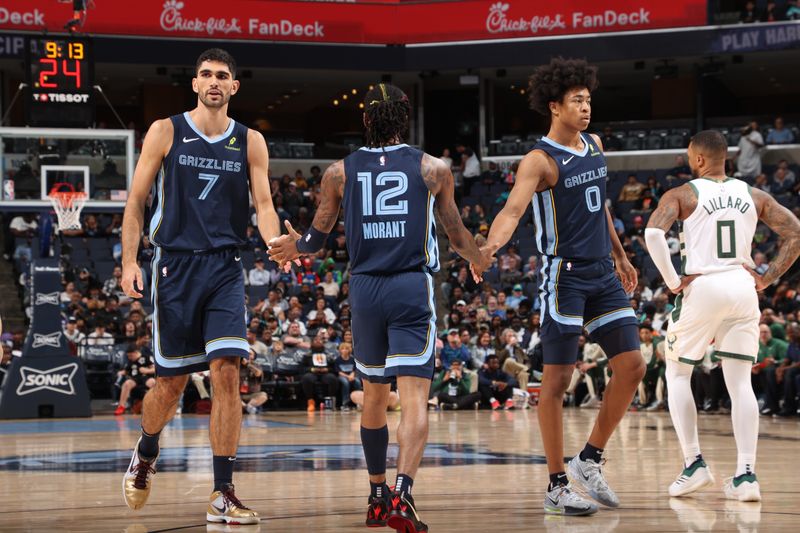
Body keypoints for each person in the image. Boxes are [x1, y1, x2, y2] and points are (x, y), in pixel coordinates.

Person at [268, 82, 490, 532]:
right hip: (410, 286)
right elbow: (457, 235)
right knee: (413, 401)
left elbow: (316, 238)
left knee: (372, 397)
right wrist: (478, 258)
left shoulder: (339, 172)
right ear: (404, 120)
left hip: (365, 289)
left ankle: (375, 495)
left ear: (365, 120)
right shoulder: (433, 168)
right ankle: (403, 495)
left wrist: (294, 246)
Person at [479, 58, 645, 516]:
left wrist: (621, 253)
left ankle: (588, 459)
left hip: (603, 273)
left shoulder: (594, 143)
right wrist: (489, 249)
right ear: (555, 106)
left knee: (632, 365)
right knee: (557, 380)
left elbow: (601, 208)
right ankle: (555, 484)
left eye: (589, 99)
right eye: (577, 101)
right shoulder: (540, 160)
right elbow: (512, 212)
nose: (587, 107)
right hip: (563, 275)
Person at [120, 48, 279, 524]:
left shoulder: (251, 141)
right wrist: (130, 260)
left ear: (234, 87)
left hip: (226, 267)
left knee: (227, 373)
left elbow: (265, 205)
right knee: (170, 386)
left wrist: (276, 241)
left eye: (222, 76)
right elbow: (136, 201)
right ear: (195, 84)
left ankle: (222, 491)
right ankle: (147, 450)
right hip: (175, 267)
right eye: (206, 74)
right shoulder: (166, 130)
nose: (213, 81)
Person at [644, 129, 800, 502]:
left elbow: (653, 235)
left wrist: (672, 281)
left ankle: (693, 464)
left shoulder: (683, 194)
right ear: (725, 157)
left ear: (697, 159)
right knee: (740, 382)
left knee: (678, 371)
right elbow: (795, 233)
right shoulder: (755, 195)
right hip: (743, 286)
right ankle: (746, 475)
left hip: (705, 284)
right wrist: (767, 278)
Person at [115, 345, 156, 416]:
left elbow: (155, 369)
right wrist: (122, 372)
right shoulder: (130, 361)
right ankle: (121, 406)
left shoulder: (147, 357)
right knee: (127, 383)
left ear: (136, 352)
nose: (129, 357)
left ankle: (155, 406)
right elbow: (126, 370)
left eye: (131, 355)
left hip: (146, 378)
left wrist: (147, 371)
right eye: (128, 356)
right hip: (135, 379)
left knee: (152, 382)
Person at [240, 349, 268, 414]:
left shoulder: (257, 366)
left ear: (254, 357)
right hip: (238, 395)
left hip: (252, 395)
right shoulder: (237, 366)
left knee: (263, 395)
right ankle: (248, 408)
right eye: (245, 353)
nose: (247, 355)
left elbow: (258, 373)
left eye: (250, 354)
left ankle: (245, 407)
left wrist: (247, 364)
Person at [335, 341, 361, 410]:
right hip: (343, 376)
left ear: (349, 350)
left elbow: (354, 370)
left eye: (346, 348)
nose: (344, 350)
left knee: (358, 382)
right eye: (343, 349)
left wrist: (352, 375)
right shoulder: (338, 360)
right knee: (345, 383)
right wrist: (348, 377)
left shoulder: (352, 359)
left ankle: (358, 403)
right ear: (340, 350)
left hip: (351, 376)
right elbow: (339, 372)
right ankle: (345, 403)